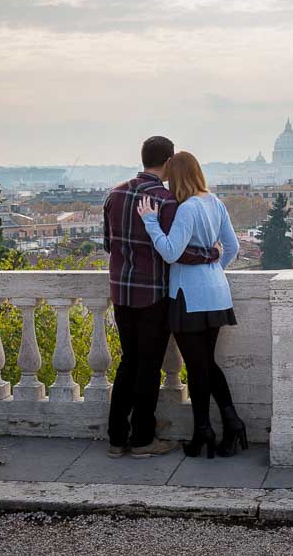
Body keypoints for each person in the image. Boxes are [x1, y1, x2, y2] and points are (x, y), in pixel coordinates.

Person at [102, 136, 220, 459]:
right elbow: (176, 253)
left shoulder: (114, 194)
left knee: (128, 362)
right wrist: (212, 253)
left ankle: (115, 438)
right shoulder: (166, 200)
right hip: (153, 295)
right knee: (149, 366)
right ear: (168, 161)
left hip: (121, 292)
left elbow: (108, 244)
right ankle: (142, 440)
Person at [136, 151, 245, 459]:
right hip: (217, 293)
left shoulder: (187, 208)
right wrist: (212, 270)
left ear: (178, 177)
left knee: (199, 368)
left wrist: (151, 222)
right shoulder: (215, 202)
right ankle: (231, 422)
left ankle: (204, 431)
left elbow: (170, 252)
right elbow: (232, 247)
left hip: (188, 296)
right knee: (206, 364)